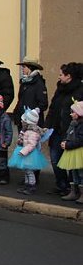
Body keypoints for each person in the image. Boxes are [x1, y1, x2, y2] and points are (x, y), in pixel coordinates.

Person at [45, 62, 83, 196]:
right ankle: (62, 185)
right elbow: (53, 107)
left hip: (71, 131)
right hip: (56, 129)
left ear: (69, 76)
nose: (59, 77)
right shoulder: (60, 89)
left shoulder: (80, 90)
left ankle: (75, 189)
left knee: (72, 162)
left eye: (61, 74)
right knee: (55, 159)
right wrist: (47, 125)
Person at [9, 108, 49, 195]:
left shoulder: (32, 132)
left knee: (29, 171)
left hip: (29, 154)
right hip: (26, 152)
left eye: (23, 120)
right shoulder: (27, 130)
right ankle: (27, 185)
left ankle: (31, 186)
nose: (22, 122)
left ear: (28, 122)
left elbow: (32, 144)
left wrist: (23, 151)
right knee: (26, 170)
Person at [57, 101, 83, 202]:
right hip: (72, 151)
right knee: (73, 172)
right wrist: (65, 141)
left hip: (79, 151)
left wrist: (68, 145)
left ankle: (81, 193)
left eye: (73, 112)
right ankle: (74, 191)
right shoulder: (73, 123)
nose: (71, 114)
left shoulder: (81, 125)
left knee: (81, 173)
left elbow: (80, 140)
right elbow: (68, 134)